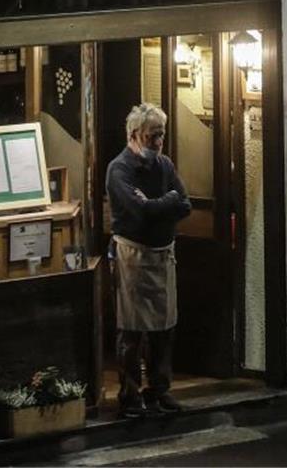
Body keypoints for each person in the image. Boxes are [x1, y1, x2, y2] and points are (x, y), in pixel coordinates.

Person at [106, 102, 192, 418]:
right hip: (133, 256)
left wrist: (163, 202)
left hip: (162, 254)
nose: (158, 142)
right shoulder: (120, 169)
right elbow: (138, 212)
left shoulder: (165, 165)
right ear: (134, 134)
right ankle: (129, 396)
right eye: (152, 136)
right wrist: (165, 203)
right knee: (131, 330)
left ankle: (159, 389)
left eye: (161, 135)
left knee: (164, 327)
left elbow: (185, 204)